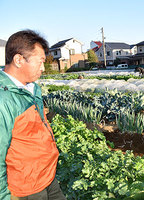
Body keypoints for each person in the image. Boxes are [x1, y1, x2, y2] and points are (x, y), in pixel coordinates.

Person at [0, 30, 66, 200]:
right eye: (40, 62)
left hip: (47, 177)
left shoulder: (32, 88)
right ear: (19, 60)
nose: (43, 68)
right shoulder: (4, 99)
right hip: (25, 188)